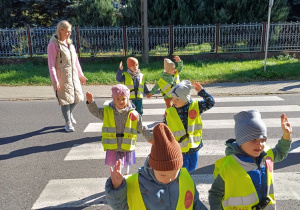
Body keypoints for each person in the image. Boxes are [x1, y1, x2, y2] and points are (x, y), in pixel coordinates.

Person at [105, 123, 208, 210]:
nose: (170, 178)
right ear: (152, 167)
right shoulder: (135, 184)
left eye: (175, 173)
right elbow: (119, 206)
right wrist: (117, 188)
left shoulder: (185, 179)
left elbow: (195, 204)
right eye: (163, 175)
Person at [209, 110, 292, 210]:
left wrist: (287, 136)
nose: (260, 144)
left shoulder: (266, 155)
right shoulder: (229, 165)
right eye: (253, 139)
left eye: (263, 139)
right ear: (241, 142)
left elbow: (280, 152)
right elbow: (215, 193)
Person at [86, 84, 153, 175]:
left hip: (126, 147)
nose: (121, 101)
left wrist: (150, 138)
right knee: (115, 170)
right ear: (113, 100)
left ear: (128, 99)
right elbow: (96, 112)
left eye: (123, 99)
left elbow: (142, 127)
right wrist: (91, 102)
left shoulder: (133, 114)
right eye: (117, 99)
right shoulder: (107, 111)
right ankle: (116, 184)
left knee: (125, 170)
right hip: (113, 147)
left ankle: (124, 183)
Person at [163, 80, 215, 172]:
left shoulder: (196, 106)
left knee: (193, 167)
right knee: (184, 171)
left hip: (194, 146)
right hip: (180, 148)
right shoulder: (170, 112)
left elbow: (211, 102)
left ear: (185, 98)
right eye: (172, 98)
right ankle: (183, 183)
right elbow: (164, 128)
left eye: (177, 99)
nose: (173, 101)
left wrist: (201, 92)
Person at [47, 20, 87, 132]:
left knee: (78, 98)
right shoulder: (53, 45)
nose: (69, 33)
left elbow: (76, 62)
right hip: (62, 77)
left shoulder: (69, 44)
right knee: (65, 100)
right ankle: (67, 122)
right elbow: (51, 65)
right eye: (67, 31)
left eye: (70, 31)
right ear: (61, 30)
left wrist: (81, 75)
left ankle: (67, 114)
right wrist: (55, 80)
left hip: (73, 76)